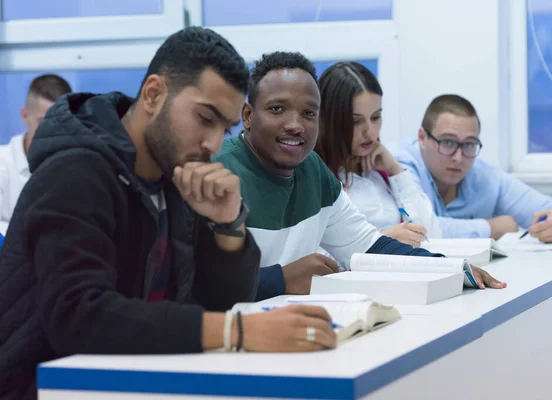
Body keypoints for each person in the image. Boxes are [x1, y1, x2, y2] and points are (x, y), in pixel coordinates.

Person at [0, 28, 338, 400]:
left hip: (141, 380)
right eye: (204, 119)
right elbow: (78, 315)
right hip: (45, 387)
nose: (213, 143)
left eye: (224, 128)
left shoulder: (174, 175)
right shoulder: (75, 173)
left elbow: (219, 301)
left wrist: (228, 226)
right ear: (153, 94)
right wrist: (238, 331)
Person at [215, 52, 505, 302]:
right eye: (277, 109)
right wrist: (282, 279)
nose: (295, 125)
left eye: (308, 113)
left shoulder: (313, 170)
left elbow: (370, 246)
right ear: (248, 115)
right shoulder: (218, 172)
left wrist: (451, 268)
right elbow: (196, 285)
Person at [396, 94, 552, 242]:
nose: (459, 157)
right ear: (422, 138)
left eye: (469, 144)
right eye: (447, 142)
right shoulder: (398, 163)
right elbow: (416, 228)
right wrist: (493, 228)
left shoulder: (485, 176)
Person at [315, 61, 442, 247]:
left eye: (376, 117)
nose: (370, 132)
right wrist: (382, 242)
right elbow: (314, 260)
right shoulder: (316, 179)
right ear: (330, 121)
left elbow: (433, 236)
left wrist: (396, 171)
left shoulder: (380, 172)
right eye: (356, 121)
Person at [0, 74, 72, 234]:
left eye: (61, 120)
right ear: (25, 115)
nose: (53, 129)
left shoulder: (78, 165)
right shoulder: (2, 162)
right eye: (44, 121)